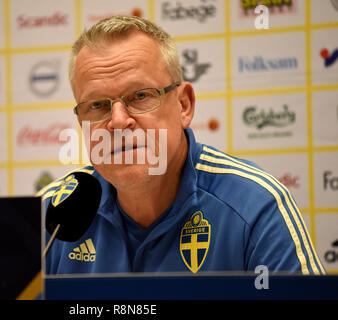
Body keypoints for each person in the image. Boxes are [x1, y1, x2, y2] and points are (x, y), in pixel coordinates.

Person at [38, 15, 325, 275]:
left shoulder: (256, 207)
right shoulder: (50, 214)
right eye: (97, 105)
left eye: (140, 96)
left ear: (184, 105)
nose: (118, 121)